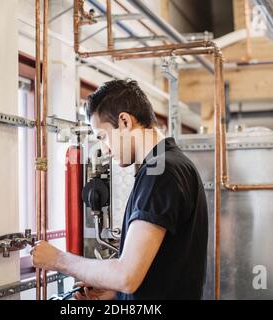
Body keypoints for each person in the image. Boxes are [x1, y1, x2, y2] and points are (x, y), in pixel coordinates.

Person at [31, 79, 208, 300]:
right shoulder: (173, 165)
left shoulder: (160, 172)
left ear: (124, 121)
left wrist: (57, 259)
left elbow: (126, 275)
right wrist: (117, 294)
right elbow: (165, 268)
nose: (104, 149)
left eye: (103, 137)